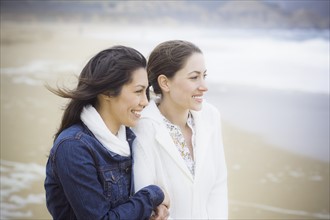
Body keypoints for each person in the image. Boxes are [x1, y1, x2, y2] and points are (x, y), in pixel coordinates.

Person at [44, 45, 169, 220]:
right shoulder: (73, 147)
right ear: (108, 92)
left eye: (146, 92)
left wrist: (152, 210)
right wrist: (153, 194)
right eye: (138, 91)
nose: (145, 102)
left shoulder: (131, 138)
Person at [133, 40, 228, 219]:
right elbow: (145, 201)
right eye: (194, 77)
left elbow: (218, 186)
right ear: (165, 83)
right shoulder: (143, 127)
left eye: (204, 76)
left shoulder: (210, 116)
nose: (204, 86)